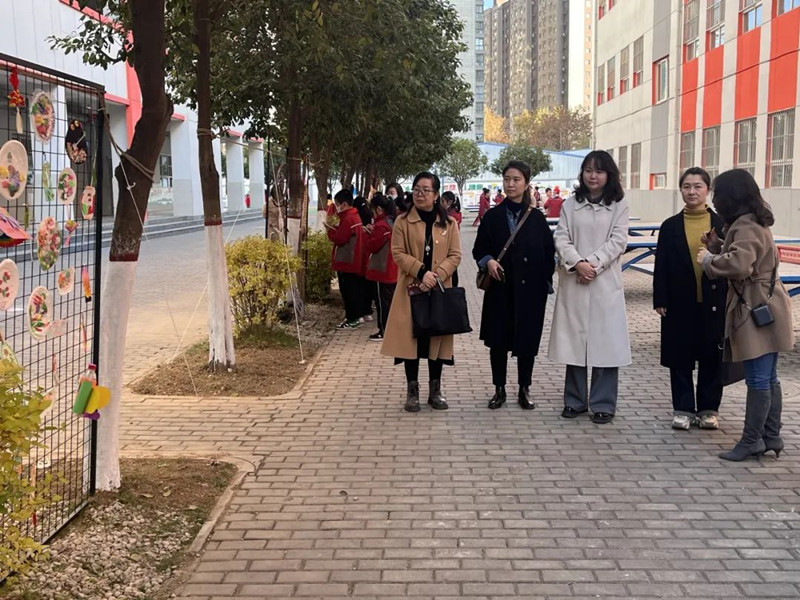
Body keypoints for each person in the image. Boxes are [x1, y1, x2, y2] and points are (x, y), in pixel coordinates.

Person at [697, 169, 795, 461]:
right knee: (769, 377)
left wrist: (709, 260)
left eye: (718, 194)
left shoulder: (746, 225)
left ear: (731, 196)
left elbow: (741, 266)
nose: (715, 200)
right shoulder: (752, 221)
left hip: (755, 307)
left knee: (759, 379)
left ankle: (752, 440)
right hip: (766, 305)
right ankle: (771, 435)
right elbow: (748, 256)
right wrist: (718, 246)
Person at [549, 150, 630, 424]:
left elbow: (618, 241)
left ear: (609, 175)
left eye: (599, 171)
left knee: (606, 345)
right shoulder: (571, 205)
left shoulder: (619, 205)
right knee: (575, 344)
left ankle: (603, 404)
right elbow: (562, 237)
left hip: (604, 283)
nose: (593, 176)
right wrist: (577, 264)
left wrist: (592, 264)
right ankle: (574, 401)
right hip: (576, 281)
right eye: (588, 170)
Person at [473, 160, 555, 410]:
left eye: (516, 179)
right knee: (498, 341)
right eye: (507, 179)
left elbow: (549, 252)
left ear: (526, 183)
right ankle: (499, 389)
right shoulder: (492, 217)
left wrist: (544, 281)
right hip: (500, 289)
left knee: (527, 341)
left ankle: (524, 388)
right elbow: (479, 249)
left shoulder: (537, 219)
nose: (511, 184)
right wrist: (488, 261)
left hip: (530, 292)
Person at [381, 171, 462, 412]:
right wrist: (421, 272)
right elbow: (398, 253)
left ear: (436, 195)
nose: (420, 194)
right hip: (412, 289)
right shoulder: (402, 222)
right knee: (411, 341)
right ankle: (412, 391)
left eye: (426, 190)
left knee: (436, 339)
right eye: (416, 189)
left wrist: (436, 276)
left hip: (438, 289)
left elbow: (455, 255)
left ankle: (435, 391)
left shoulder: (449, 223)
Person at [653, 167, 727, 431]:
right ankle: (683, 408)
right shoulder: (670, 226)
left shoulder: (722, 224)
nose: (692, 191)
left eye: (698, 186)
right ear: (680, 190)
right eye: (687, 186)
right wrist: (660, 298)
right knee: (679, 355)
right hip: (679, 301)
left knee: (712, 357)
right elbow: (661, 264)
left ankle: (709, 409)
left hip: (715, 301)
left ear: (708, 190)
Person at [326, 189, 365, 329]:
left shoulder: (348, 219)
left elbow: (340, 239)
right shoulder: (354, 216)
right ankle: (356, 317)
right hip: (352, 259)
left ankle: (352, 319)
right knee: (353, 289)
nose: (336, 207)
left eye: (337, 204)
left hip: (346, 261)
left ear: (344, 204)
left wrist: (330, 231)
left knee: (348, 291)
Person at [365, 193, 398, 342]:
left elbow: (371, 246)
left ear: (378, 209)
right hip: (393, 268)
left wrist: (369, 234)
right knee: (390, 301)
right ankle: (392, 329)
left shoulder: (381, 226)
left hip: (382, 269)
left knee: (382, 302)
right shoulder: (392, 221)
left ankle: (384, 330)